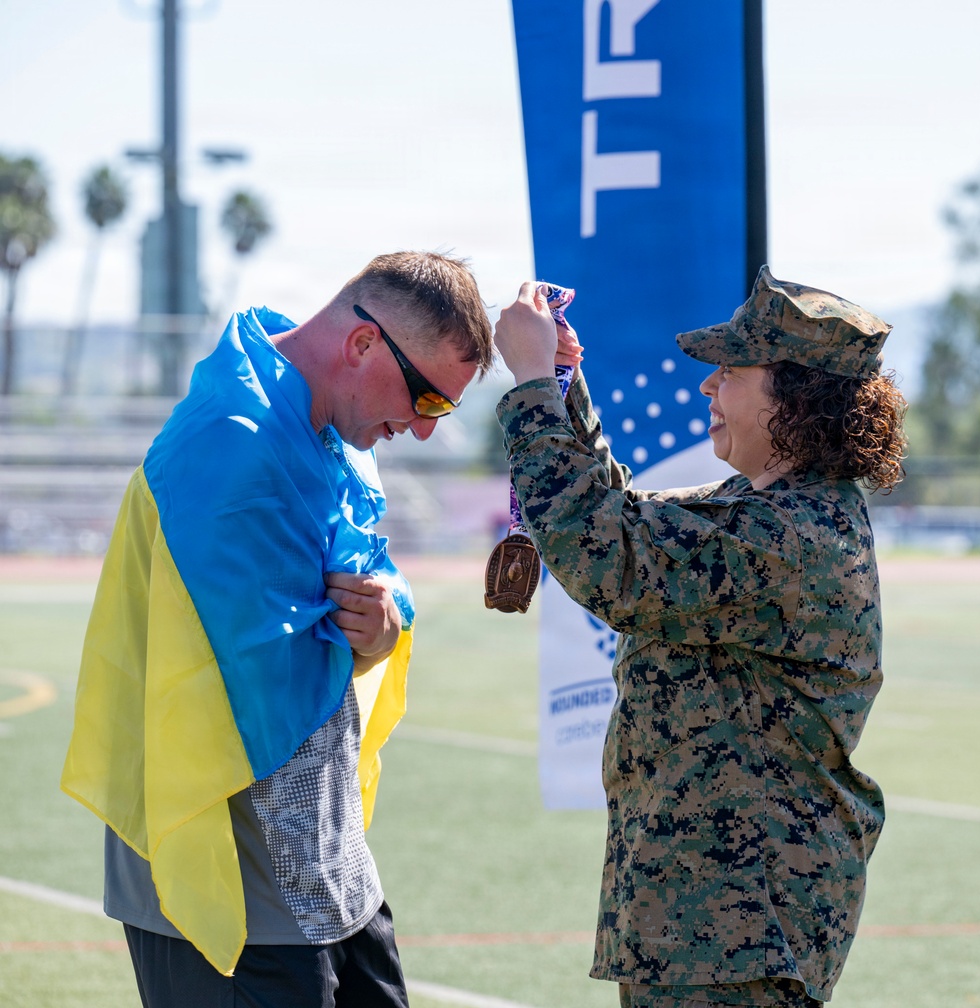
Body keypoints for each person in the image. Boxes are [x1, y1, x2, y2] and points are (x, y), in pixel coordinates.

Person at [61, 250, 494, 1008]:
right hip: (221, 863)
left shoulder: (320, 425)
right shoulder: (234, 442)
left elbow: (361, 575)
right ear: (363, 346)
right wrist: (364, 629)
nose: (424, 431)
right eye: (427, 400)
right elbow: (263, 680)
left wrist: (385, 619)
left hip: (321, 856)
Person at [492, 266, 908, 1008]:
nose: (709, 388)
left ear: (796, 397)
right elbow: (619, 513)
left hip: (737, 931)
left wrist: (528, 389)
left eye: (731, 372)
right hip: (708, 923)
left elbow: (605, 552)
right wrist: (563, 387)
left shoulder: (790, 538)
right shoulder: (766, 512)